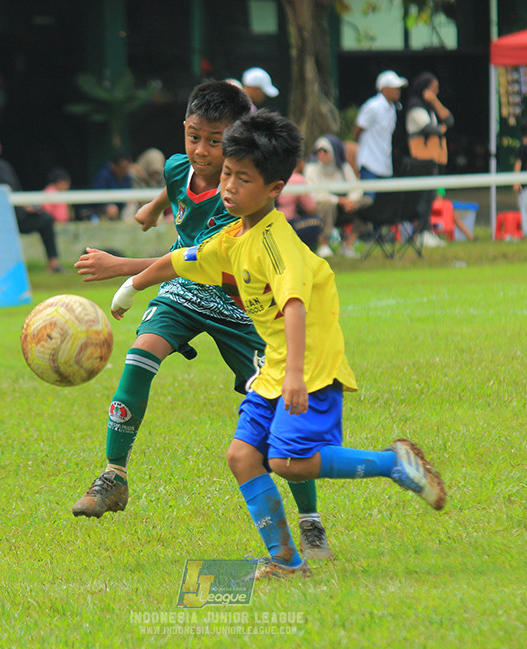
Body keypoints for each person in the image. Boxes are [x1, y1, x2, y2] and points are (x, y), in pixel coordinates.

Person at [109, 110, 446, 578]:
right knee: (242, 456)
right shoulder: (234, 234)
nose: (227, 186)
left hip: (307, 362)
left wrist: (292, 376)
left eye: (242, 179)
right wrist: (130, 287)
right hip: (276, 362)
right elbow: (181, 260)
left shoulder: (275, 244)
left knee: (290, 462)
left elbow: (294, 306)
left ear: (274, 190)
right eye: (226, 173)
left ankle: (394, 464)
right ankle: (287, 561)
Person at [71, 81, 336, 561]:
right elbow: (175, 181)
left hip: (240, 303)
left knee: (279, 418)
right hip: (185, 294)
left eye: (216, 141)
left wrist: (122, 266)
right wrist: (155, 207)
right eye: (194, 136)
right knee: (139, 358)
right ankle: (114, 474)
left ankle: (311, 523)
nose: (201, 151)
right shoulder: (180, 167)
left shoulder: (238, 196)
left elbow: (189, 257)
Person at [0, 131, 62, 273]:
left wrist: (27, 207)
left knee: (45, 219)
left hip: (15, 215)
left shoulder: (5, 167)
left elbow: (17, 191)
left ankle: (53, 265)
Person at [405, 72, 453, 244]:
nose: (435, 93)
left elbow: (449, 121)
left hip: (434, 161)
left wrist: (434, 102)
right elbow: (432, 130)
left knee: (432, 197)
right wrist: (440, 128)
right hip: (421, 160)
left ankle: (427, 231)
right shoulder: (415, 108)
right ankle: (420, 234)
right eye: (432, 90)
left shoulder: (430, 108)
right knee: (423, 199)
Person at [304, 134, 364, 258]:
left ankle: (348, 245)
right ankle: (323, 245)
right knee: (327, 205)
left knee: (366, 202)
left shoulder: (344, 167)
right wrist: (339, 200)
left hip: (345, 208)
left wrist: (351, 201)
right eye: (318, 151)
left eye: (325, 151)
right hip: (324, 208)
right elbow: (316, 195)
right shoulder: (311, 168)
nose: (321, 154)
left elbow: (357, 187)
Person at [355, 70, 407, 183]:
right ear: (384, 89)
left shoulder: (394, 108)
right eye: (395, 87)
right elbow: (357, 130)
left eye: (399, 88)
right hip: (369, 165)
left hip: (385, 165)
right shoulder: (373, 106)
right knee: (368, 200)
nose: (398, 90)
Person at [277, 159, 321, 251]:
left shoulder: (273, 176)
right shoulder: (297, 179)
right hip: (285, 224)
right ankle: (305, 252)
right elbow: (311, 208)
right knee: (317, 221)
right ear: (300, 162)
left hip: (266, 224)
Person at [87, 151, 134, 220]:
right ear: (114, 166)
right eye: (122, 168)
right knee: (112, 209)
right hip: (103, 207)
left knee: (132, 205)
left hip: (121, 206)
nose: (125, 171)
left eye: (126, 168)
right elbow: (98, 197)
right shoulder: (103, 175)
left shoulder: (128, 177)